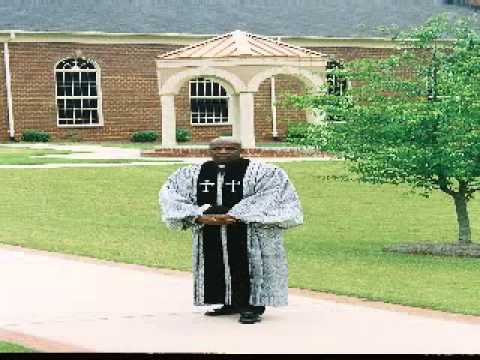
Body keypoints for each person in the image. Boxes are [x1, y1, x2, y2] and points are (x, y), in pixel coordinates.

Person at [159, 137, 303, 324]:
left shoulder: (262, 172)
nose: (223, 151)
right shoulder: (192, 173)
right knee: (215, 263)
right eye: (217, 148)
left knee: (248, 266)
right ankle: (229, 302)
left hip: (248, 231)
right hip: (209, 229)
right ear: (210, 150)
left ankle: (251, 307)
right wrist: (199, 216)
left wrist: (236, 215)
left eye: (230, 148)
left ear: (240, 150)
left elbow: (273, 194)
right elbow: (171, 194)